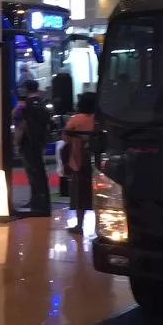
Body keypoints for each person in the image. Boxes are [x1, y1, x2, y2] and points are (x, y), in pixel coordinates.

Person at [13, 79, 52, 212]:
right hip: (39, 142)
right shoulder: (42, 104)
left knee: (33, 174)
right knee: (39, 173)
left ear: (26, 90)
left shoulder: (25, 106)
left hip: (28, 143)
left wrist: (17, 143)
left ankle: (37, 202)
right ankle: (41, 201)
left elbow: (17, 120)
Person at [64, 92, 97, 235]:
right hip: (97, 161)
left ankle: (79, 225)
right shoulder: (99, 119)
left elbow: (66, 138)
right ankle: (100, 226)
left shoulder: (76, 119)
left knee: (79, 194)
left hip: (79, 160)